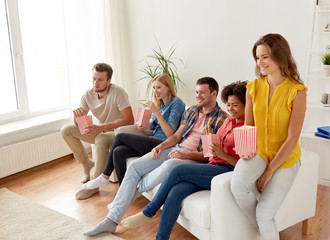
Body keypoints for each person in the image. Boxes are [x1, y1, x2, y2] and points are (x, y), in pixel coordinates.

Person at [83, 77, 228, 236]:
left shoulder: (222, 119)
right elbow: (176, 136)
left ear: (214, 93)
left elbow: (209, 155)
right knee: (134, 166)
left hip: (191, 158)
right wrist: (160, 146)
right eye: (196, 92)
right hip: (175, 148)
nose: (198, 96)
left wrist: (185, 156)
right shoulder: (192, 110)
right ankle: (111, 220)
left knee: (169, 166)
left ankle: (134, 189)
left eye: (202, 92)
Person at [121, 81, 247, 240]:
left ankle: (149, 211)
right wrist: (208, 139)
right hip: (212, 165)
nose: (230, 109)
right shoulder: (229, 121)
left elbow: (244, 167)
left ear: (247, 106)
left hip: (225, 171)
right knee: (175, 192)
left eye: (235, 105)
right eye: (228, 104)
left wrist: (223, 155)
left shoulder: (246, 129)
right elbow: (210, 152)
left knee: (176, 170)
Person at [230, 34, 307, 240]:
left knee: (265, 214)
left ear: (280, 57)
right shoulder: (253, 88)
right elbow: (249, 125)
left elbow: (292, 138)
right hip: (260, 150)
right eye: (257, 57)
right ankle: (265, 228)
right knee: (237, 185)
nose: (260, 63)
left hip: (286, 158)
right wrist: (244, 148)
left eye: (265, 57)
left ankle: (265, 224)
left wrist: (269, 171)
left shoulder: (297, 91)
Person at [83, 74, 185, 191]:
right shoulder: (160, 105)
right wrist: (145, 129)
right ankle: (125, 190)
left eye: (159, 87)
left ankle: (105, 175)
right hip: (153, 140)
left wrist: (156, 112)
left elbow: (170, 134)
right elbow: (154, 130)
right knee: (118, 151)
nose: (155, 91)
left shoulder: (176, 103)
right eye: (153, 88)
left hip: (164, 144)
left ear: (168, 87)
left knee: (120, 137)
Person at [61, 63, 134, 199]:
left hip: (118, 132)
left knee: (101, 139)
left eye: (100, 80)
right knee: (66, 130)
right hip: (100, 130)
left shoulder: (118, 93)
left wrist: (102, 127)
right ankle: (86, 163)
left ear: (108, 81)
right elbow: (78, 122)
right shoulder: (88, 95)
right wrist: (77, 118)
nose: (96, 83)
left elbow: (129, 119)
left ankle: (95, 185)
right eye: (94, 79)